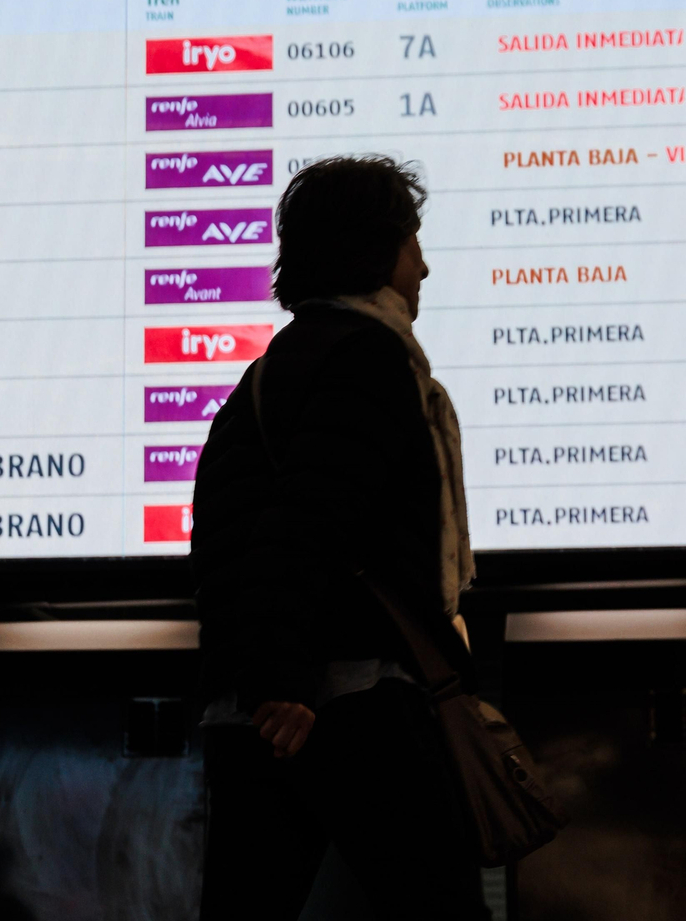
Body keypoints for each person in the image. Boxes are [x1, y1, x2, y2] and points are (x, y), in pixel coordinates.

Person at [193, 155, 489, 920]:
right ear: (375, 249)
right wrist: (283, 682)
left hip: (253, 707)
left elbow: (228, 536)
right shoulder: (366, 358)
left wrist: (260, 680)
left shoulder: (268, 372)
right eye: (411, 241)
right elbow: (309, 521)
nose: (424, 265)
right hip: (343, 702)